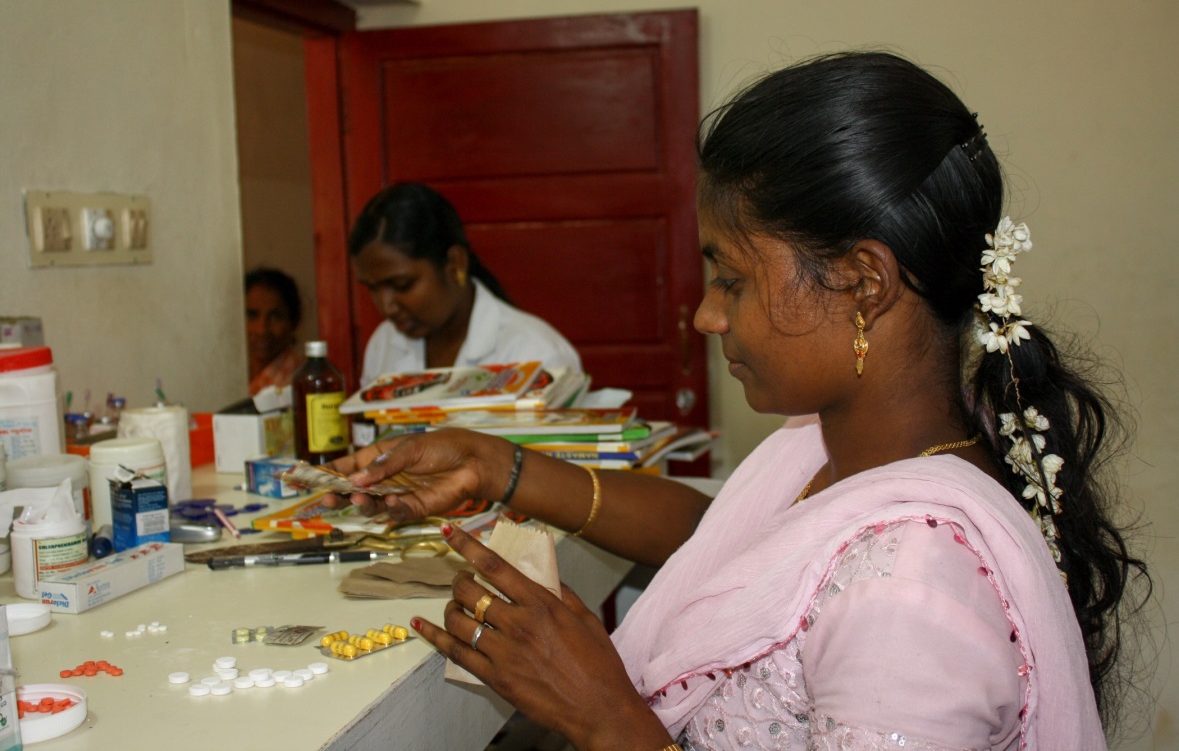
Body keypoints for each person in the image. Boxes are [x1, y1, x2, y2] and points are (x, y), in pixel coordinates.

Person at [323, 52, 1149, 750]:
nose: (705, 315)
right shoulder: (854, 444)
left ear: (863, 284)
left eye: (730, 279)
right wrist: (499, 465)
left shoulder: (912, 594)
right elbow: (720, 546)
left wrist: (608, 718)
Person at [349, 182, 581, 385]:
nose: (386, 306)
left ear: (455, 263)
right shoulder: (385, 342)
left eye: (402, 284)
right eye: (372, 288)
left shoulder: (537, 352)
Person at [245, 267, 303, 395]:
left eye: (275, 317)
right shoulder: (227, 373)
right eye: (252, 315)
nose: (262, 330)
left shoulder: (300, 382)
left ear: (294, 322)